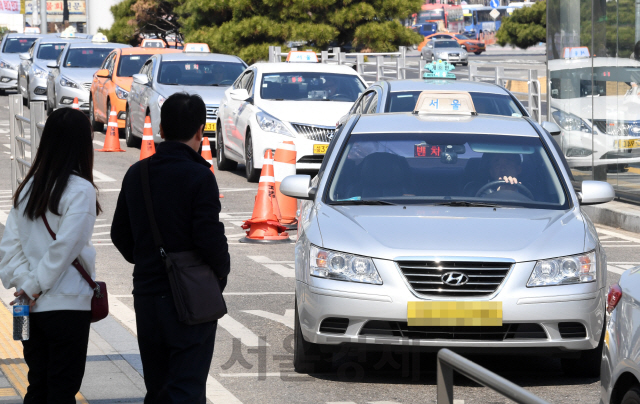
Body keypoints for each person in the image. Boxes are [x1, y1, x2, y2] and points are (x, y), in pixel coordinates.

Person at [111, 92, 229, 403]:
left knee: (158, 387)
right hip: (190, 298)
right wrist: (219, 275)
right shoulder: (199, 176)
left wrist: (149, 260)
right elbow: (209, 238)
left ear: (161, 130)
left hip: (148, 295)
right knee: (187, 388)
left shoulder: (138, 173)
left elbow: (118, 234)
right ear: (200, 132)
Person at [0, 108, 101, 403]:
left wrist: (25, 286)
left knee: (38, 385)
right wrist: (33, 287)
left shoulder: (28, 188)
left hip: (28, 309)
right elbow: (64, 249)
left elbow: (9, 249)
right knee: (61, 389)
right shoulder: (81, 190)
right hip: (67, 306)